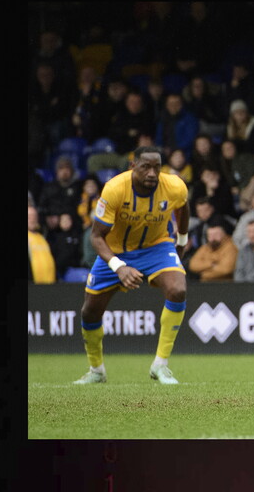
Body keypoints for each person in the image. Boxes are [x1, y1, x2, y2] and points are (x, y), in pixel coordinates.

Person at [73, 146, 190, 385]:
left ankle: (160, 365)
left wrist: (182, 240)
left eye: (157, 167)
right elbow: (96, 237)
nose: (152, 173)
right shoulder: (115, 189)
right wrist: (118, 266)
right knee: (90, 311)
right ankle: (97, 370)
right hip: (116, 250)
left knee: (178, 290)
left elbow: (183, 205)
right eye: (146, 167)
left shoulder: (174, 186)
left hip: (156, 247)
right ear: (133, 166)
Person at [47, 212, 83, 280]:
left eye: (68, 219)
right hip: (61, 270)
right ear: (60, 222)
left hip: (76, 268)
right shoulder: (54, 237)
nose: (66, 222)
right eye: (63, 220)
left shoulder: (76, 236)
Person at [28, 205, 57, 284]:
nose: (32, 219)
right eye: (29, 216)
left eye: (34, 216)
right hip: (32, 286)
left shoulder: (42, 237)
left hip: (48, 285)